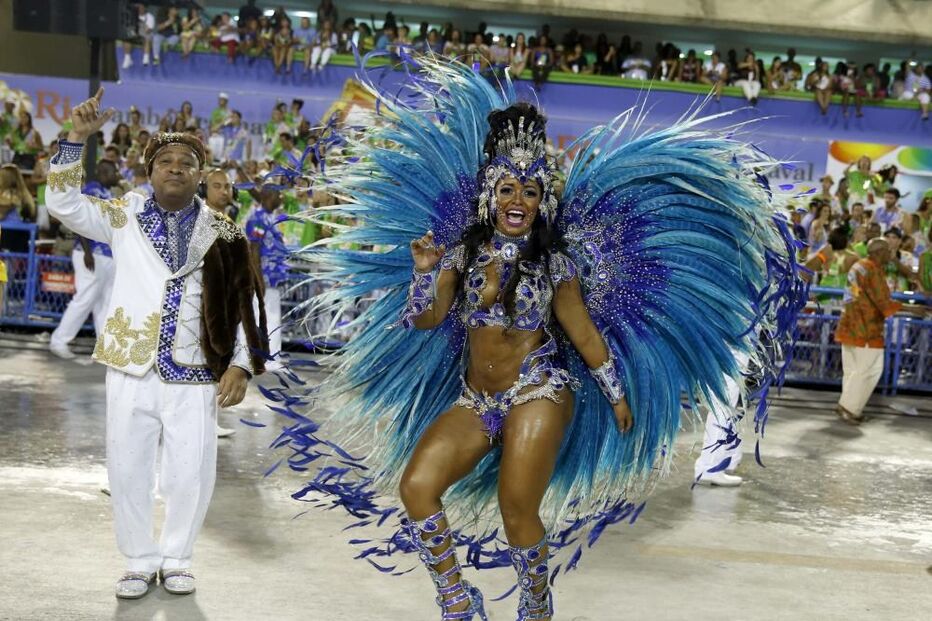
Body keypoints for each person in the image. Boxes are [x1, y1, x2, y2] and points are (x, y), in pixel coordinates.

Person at [273, 58, 806, 620]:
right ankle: (458, 598)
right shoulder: (460, 254)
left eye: (530, 189)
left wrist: (619, 395)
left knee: (516, 509)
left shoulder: (557, 267)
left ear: (542, 200)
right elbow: (425, 320)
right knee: (418, 488)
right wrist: (426, 272)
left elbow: (584, 334)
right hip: (475, 400)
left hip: (540, 391)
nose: (518, 199)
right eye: (508, 187)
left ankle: (536, 602)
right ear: (489, 194)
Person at [46, 89, 268, 599]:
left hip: (196, 368)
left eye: (186, 163)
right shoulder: (122, 216)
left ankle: (177, 557)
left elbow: (242, 304)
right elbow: (62, 203)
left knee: (191, 470)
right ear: (149, 171)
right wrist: (76, 138)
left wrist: (241, 364)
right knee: (127, 466)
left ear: (200, 174)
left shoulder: (227, 233)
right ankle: (138, 559)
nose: (175, 168)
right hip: (130, 363)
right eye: (164, 161)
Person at [834, 238, 918, 425]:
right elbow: (883, 303)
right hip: (866, 329)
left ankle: (845, 406)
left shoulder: (858, 266)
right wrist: (913, 309)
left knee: (853, 371)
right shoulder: (873, 270)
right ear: (879, 252)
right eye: (888, 251)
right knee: (870, 371)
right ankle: (850, 409)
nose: (890, 254)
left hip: (848, 325)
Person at [49, 160, 122, 360]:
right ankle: (59, 341)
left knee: (104, 301)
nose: (117, 175)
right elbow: (78, 220)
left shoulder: (108, 193)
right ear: (104, 171)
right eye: (115, 171)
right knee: (85, 298)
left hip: (106, 254)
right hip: (91, 254)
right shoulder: (91, 189)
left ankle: (105, 348)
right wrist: (87, 251)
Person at [245, 187, 288, 369]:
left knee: (273, 317)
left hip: (274, 277)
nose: (281, 197)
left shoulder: (271, 217)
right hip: (265, 276)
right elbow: (253, 248)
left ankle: (272, 356)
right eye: (279, 194)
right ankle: (264, 357)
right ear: (269, 196)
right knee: (265, 317)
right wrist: (258, 278)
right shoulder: (258, 218)